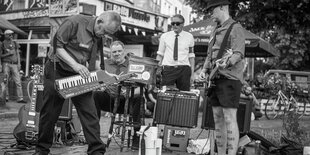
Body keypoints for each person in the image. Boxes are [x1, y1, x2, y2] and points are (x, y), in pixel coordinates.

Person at [34, 11, 122, 155]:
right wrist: (75, 65)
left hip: (79, 73)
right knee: (49, 113)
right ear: (99, 21)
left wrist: (106, 76)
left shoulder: (98, 35)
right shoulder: (73, 22)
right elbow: (56, 47)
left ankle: (96, 151)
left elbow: (95, 62)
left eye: (108, 34)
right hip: (57, 70)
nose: (104, 35)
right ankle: (41, 150)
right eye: (104, 31)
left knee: (90, 112)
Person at [198, 0, 246, 155]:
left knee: (229, 117)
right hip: (215, 78)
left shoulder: (236, 28)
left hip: (230, 78)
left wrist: (227, 62)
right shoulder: (214, 30)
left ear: (222, 7)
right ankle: (220, 153)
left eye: (212, 10)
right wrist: (204, 70)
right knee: (218, 118)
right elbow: (210, 54)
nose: (210, 14)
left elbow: (238, 53)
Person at [93, 41, 142, 150]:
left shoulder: (133, 64)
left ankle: (136, 136)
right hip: (110, 99)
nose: (117, 53)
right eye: (114, 52)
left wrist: (129, 93)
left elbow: (141, 87)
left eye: (119, 51)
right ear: (110, 53)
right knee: (95, 95)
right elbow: (97, 81)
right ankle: (94, 135)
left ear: (124, 51)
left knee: (139, 98)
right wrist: (101, 86)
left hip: (127, 101)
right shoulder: (104, 64)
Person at [156, 14, 195, 91]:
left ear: (183, 24)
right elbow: (160, 54)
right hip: (168, 69)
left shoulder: (189, 37)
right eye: (172, 23)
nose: (174, 25)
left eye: (177, 23)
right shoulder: (164, 36)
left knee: (184, 96)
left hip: (184, 69)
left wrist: (192, 74)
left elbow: (191, 56)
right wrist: (156, 70)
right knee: (166, 95)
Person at [0, 29, 27, 103]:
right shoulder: (2, 44)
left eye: (12, 34)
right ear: (5, 35)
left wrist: (19, 63)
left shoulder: (15, 43)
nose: (11, 36)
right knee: (5, 81)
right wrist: (8, 54)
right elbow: (0, 56)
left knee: (18, 81)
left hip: (14, 64)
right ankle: (6, 97)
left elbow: (18, 54)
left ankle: (20, 98)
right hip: (6, 63)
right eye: (9, 34)